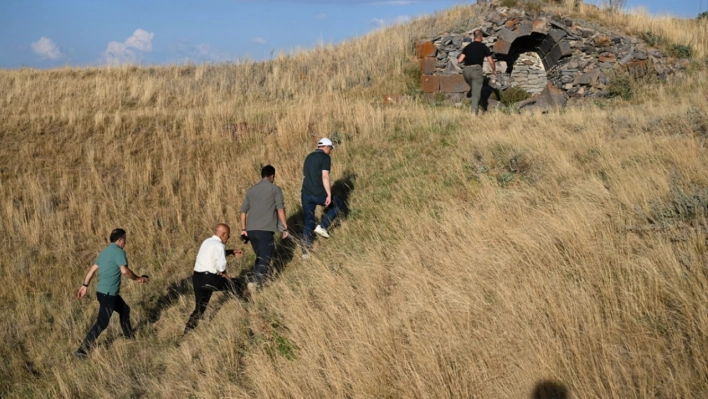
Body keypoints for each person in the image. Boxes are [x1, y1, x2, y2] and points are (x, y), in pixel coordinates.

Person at [75, 228, 148, 358]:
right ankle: (82, 350)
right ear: (120, 240)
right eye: (125, 240)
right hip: (108, 295)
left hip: (102, 292)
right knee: (102, 323)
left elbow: (92, 271)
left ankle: (129, 336)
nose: (125, 242)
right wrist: (138, 278)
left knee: (124, 310)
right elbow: (124, 271)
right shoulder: (119, 252)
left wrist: (85, 285)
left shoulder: (104, 252)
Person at [183, 223, 243, 334]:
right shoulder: (220, 246)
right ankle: (243, 306)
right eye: (228, 235)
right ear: (223, 234)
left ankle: (187, 332)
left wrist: (231, 252)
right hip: (209, 278)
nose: (228, 238)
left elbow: (215, 253)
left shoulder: (206, 242)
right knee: (236, 283)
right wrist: (225, 275)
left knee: (199, 309)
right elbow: (221, 266)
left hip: (197, 279)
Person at [240, 165, 289, 289]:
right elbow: (280, 208)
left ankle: (260, 280)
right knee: (265, 257)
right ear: (272, 176)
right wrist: (285, 227)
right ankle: (256, 282)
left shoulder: (251, 190)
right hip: (265, 229)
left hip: (250, 230)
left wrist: (243, 229)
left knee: (260, 256)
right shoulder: (275, 189)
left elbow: (243, 211)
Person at [301, 138, 345, 257]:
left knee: (308, 221)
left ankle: (305, 251)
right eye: (330, 148)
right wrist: (329, 194)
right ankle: (323, 226)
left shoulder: (308, 157)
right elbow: (325, 176)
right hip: (319, 193)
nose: (330, 151)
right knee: (339, 204)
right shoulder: (325, 158)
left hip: (305, 193)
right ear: (325, 147)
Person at [457, 29, 497, 115]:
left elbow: (459, 60)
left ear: (474, 37)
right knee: (476, 92)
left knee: (475, 89)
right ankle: (473, 114)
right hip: (476, 70)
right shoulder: (484, 47)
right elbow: (490, 61)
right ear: (481, 37)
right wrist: (494, 70)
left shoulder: (467, 47)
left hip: (466, 71)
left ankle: (478, 105)